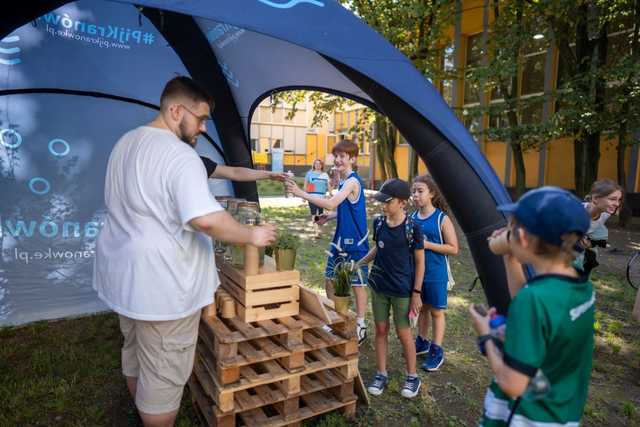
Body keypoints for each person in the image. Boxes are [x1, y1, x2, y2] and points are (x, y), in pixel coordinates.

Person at [94, 76, 277, 427]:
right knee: (163, 377)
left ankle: (140, 411)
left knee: (135, 353)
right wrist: (251, 235)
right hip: (164, 291)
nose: (203, 127)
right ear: (176, 109)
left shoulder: (125, 143)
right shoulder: (180, 155)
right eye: (200, 118)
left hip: (125, 282)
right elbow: (205, 219)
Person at [469, 187, 593, 427]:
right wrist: (510, 257)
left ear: (523, 237)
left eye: (511, 227)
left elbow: (512, 385)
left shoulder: (534, 300)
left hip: (527, 417)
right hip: (561, 412)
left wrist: (486, 337)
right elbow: (533, 304)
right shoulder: (579, 282)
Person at [285, 141, 369, 344]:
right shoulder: (343, 180)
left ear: (353, 159)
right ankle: (335, 318)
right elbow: (341, 208)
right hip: (340, 239)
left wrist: (301, 193)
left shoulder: (352, 182)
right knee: (329, 279)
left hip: (356, 242)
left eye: (343, 156)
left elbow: (331, 202)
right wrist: (329, 217)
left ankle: (360, 324)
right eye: (336, 156)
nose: (338, 160)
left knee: (357, 285)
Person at [355, 178, 424, 398]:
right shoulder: (379, 223)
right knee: (381, 330)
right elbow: (378, 249)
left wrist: (416, 294)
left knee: (404, 333)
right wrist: (359, 263)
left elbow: (421, 263)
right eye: (381, 201)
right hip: (379, 288)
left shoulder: (413, 228)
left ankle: (412, 377)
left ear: (402, 202)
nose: (383, 205)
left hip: (403, 291)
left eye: (388, 201)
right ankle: (381, 373)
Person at [410, 174, 459, 371]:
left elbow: (454, 249)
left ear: (431, 193)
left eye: (420, 191)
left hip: (436, 274)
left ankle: (436, 350)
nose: (416, 195)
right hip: (417, 274)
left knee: (437, 312)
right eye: (413, 191)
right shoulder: (412, 218)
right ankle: (422, 342)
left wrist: (428, 244)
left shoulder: (441, 218)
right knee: (422, 309)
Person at [575, 178, 623, 274]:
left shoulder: (606, 213)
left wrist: (590, 243)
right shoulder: (576, 212)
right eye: (612, 199)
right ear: (595, 199)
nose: (617, 204)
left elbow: (596, 231)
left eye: (619, 200)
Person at [304, 159, 331, 237]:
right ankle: (316, 232)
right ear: (314, 165)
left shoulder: (325, 174)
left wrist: (330, 193)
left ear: (322, 165)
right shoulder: (309, 174)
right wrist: (304, 196)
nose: (317, 165)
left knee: (320, 214)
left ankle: (318, 228)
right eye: (316, 164)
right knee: (314, 214)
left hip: (322, 197)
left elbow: (328, 185)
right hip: (312, 196)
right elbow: (306, 185)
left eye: (319, 164)